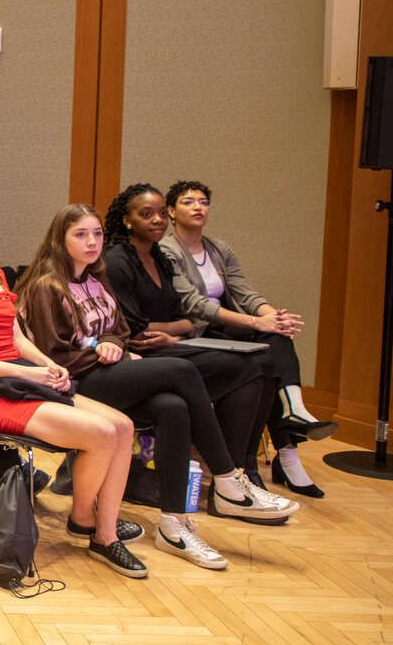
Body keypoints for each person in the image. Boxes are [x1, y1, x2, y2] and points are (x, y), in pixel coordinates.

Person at [17, 205, 296, 570]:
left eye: (97, 234)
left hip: (107, 372)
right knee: (181, 371)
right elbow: (56, 355)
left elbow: (119, 328)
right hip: (77, 382)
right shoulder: (46, 286)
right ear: (60, 239)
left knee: (172, 408)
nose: (91, 242)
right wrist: (108, 353)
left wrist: (114, 343)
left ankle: (173, 523)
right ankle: (227, 478)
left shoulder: (96, 280)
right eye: (80, 234)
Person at [0, 189, 147, 577]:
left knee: (123, 427)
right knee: (103, 434)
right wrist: (27, 371)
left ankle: (89, 522)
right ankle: (100, 532)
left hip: (16, 379)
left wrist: (47, 363)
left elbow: (17, 339)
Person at [101, 184, 291, 491]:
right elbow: (136, 331)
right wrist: (177, 329)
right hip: (141, 355)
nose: (158, 220)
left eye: (162, 213)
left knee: (259, 364)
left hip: (171, 346)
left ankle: (241, 469)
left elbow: (188, 319)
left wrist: (174, 331)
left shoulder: (159, 257)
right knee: (245, 368)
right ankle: (230, 477)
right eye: (146, 214)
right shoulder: (118, 260)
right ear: (127, 220)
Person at [158, 180, 330, 496]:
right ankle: (267, 457)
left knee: (276, 342)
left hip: (220, 327)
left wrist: (274, 317)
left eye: (203, 201)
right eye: (188, 201)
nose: (198, 206)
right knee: (262, 356)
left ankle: (289, 431)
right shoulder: (167, 250)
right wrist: (257, 322)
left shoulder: (219, 248)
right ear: (170, 211)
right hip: (192, 329)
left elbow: (245, 292)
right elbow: (194, 305)